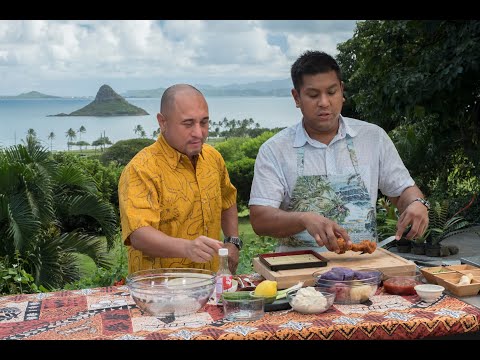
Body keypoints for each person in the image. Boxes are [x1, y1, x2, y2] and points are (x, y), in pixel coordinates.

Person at [248, 50, 429, 254]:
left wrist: (416, 203)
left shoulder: (373, 138)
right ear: (296, 97)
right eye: (313, 95)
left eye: (332, 92)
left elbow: (403, 190)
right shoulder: (275, 150)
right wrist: (303, 218)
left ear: (342, 91)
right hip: (298, 275)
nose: (324, 102)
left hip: (363, 272)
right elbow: (259, 219)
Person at [118, 84, 241, 274]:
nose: (199, 133)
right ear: (163, 122)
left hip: (210, 283)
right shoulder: (141, 169)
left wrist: (232, 241)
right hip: (159, 290)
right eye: (188, 123)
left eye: (204, 122)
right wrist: (187, 248)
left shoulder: (213, 158)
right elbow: (139, 234)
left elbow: (228, 198)